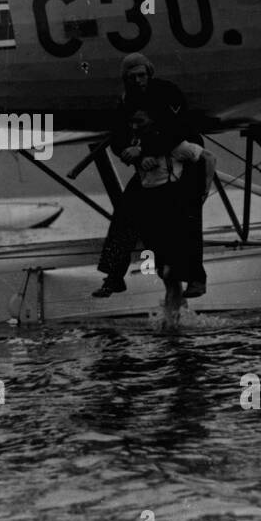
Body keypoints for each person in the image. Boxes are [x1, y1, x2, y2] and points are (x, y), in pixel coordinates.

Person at [93, 52, 205, 297]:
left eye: (141, 75)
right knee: (124, 213)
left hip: (182, 164)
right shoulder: (125, 101)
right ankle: (114, 276)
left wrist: (144, 149)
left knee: (188, 218)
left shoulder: (168, 92)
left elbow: (178, 129)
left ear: (149, 74)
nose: (137, 81)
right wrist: (127, 152)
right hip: (150, 167)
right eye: (131, 77)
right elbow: (118, 135)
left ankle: (197, 278)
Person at [124, 105, 217, 324]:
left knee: (169, 269)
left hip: (170, 200)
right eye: (133, 123)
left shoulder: (174, 145)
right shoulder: (136, 145)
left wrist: (204, 189)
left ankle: (174, 318)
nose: (136, 127)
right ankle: (177, 315)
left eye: (141, 122)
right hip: (149, 202)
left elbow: (209, 158)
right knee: (162, 268)